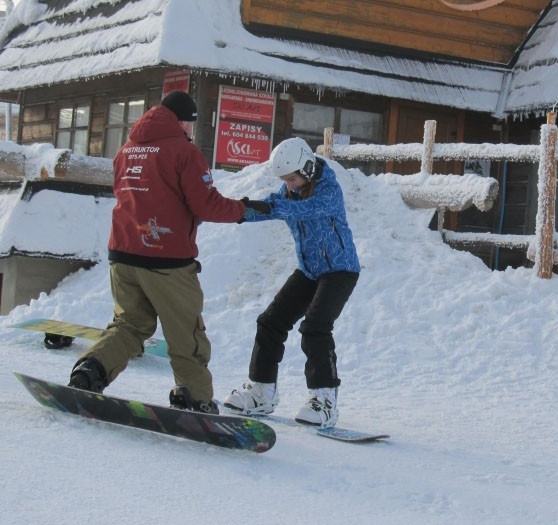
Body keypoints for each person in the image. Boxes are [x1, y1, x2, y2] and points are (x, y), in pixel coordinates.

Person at [68, 91, 270, 414]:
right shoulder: (184, 152)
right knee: (186, 334)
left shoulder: (127, 150)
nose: (191, 130)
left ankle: (90, 369)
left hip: (122, 254)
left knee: (129, 325)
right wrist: (243, 210)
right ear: (182, 121)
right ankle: (195, 397)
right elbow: (205, 204)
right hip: (166, 260)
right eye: (190, 123)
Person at [224, 137, 360, 428]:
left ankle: (324, 401)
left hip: (340, 271)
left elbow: (300, 209)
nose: (288, 185)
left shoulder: (329, 190)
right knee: (270, 322)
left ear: (308, 169)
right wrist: (234, 211)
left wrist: (270, 208)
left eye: (291, 178)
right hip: (309, 271)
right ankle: (261, 391)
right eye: (284, 180)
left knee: (315, 328)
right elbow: (272, 205)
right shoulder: (291, 192)